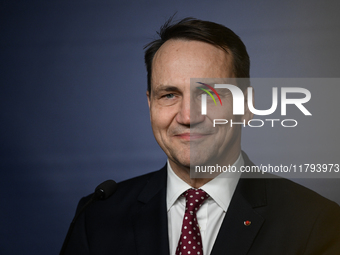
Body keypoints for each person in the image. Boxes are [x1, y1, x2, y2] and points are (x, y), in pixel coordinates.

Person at [62, 17, 340, 255]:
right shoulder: (97, 217)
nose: (187, 116)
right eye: (169, 95)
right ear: (150, 104)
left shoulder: (315, 223)